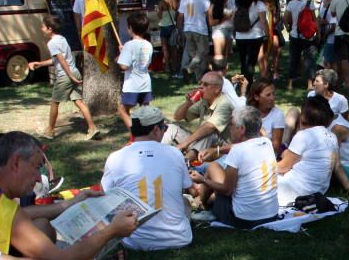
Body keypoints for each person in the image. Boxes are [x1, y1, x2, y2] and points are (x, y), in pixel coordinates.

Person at [0, 132, 140, 260]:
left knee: (42, 224)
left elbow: (22, 213)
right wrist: (112, 231)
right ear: (15, 163)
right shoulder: (0, 207)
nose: (37, 179)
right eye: (36, 168)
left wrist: (71, 203)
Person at [101, 107, 197, 250]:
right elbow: (190, 189)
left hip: (134, 241)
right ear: (156, 130)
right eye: (164, 128)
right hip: (179, 238)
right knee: (184, 200)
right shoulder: (175, 154)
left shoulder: (116, 157)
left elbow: (104, 196)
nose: (164, 131)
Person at [189, 107, 280, 229]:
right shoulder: (266, 143)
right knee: (214, 168)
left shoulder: (237, 151)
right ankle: (204, 199)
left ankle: (202, 204)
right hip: (271, 215)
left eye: (231, 125)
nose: (229, 128)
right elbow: (241, 146)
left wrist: (202, 180)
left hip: (243, 219)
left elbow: (227, 190)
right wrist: (217, 150)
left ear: (241, 129)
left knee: (212, 168)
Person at [27, 16, 99, 141]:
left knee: (55, 102)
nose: (42, 29)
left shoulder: (52, 43)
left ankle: (50, 130)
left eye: (43, 27)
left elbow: (62, 60)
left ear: (50, 29)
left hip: (66, 76)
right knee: (79, 101)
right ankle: (92, 128)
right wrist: (39, 63)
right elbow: (56, 60)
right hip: (74, 72)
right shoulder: (62, 39)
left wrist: (70, 76)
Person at [277, 96, 345, 205]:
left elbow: (282, 167)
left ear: (304, 116)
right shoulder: (332, 137)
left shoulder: (303, 136)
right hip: (318, 191)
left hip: (296, 190)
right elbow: (337, 166)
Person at [168, 72, 235, 161]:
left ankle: (185, 162)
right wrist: (188, 103)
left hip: (218, 149)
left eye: (205, 84)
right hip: (200, 145)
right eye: (200, 83)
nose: (201, 87)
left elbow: (209, 127)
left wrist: (185, 144)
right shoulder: (204, 102)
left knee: (209, 133)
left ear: (217, 89)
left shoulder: (225, 103)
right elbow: (177, 117)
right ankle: (162, 154)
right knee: (170, 127)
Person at [115, 11, 154, 133]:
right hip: (145, 83)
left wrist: (118, 58)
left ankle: (134, 133)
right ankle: (147, 132)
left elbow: (124, 66)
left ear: (130, 28)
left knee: (122, 110)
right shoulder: (148, 44)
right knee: (145, 111)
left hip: (132, 84)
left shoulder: (129, 45)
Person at [233, 0, 270, 84]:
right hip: (255, 36)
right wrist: (267, 35)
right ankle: (248, 83)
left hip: (240, 36)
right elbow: (263, 21)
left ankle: (243, 83)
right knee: (251, 63)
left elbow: (233, 18)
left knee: (243, 62)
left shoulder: (238, 3)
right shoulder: (259, 4)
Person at [179, 0, 211, 82]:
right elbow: (208, 15)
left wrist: (180, 29)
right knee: (202, 53)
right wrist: (210, 27)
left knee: (194, 54)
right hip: (200, 29)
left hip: (187, 28)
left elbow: (180, 16)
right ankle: (189, 68)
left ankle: (198, 78)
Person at [245, 80, 287, 155]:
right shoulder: (248, 113)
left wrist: (264, 136)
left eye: (273, 94)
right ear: (256, 97)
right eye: (268, 95)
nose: (272, 98)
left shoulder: (277, 115)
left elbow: (276, 147)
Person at [209, 0, 235, 65]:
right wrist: (224, 18)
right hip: (219, 31)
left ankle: (222, 73)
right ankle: (216, 72)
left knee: (225, 56)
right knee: (219, 55)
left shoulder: (229, 5)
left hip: (229, 30)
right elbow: (211, 22)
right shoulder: (213, 7)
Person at [156, 0, 180, 75]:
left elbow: (159, 16)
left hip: (164, 27)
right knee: (174, 48)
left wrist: (158, 11)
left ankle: (167, 66)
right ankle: (174, 65)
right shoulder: (174, 1)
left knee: (165, 48)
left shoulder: (161, 3)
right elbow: (177, 14)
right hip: (173, 27)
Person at [319, 0, 339, 69]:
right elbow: (319, 17)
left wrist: (326, 23)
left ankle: (331, 80)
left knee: (329, 61)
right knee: (324, 61)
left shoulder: (335, 2)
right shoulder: (322, 1)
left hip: (331, 35)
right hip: (322, 33)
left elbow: (335, 21)